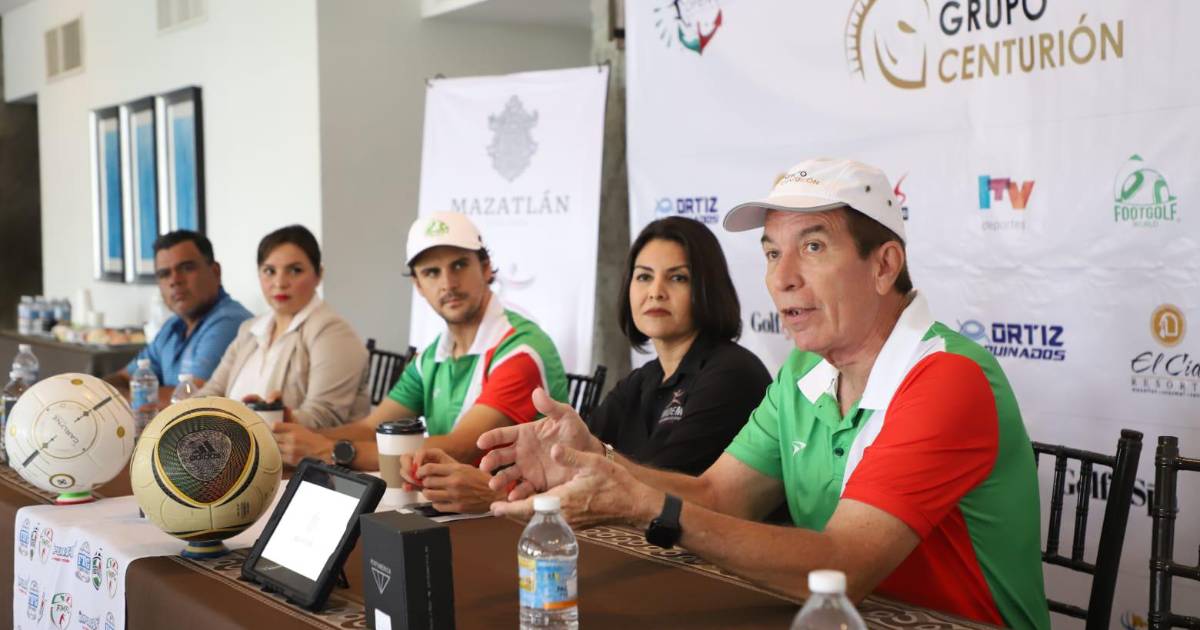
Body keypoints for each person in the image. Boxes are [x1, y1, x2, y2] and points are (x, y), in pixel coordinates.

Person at [479, 159, 1051, 629]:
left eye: (814, 247)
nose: (781, 278)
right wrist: (597, 461)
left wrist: (647, 506)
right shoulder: (804, 368)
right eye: (773, 253)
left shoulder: (947, 377)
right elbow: (720, 495)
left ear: (884, 266)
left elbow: (845, 566)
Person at [273, 212, 569, 509]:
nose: (448, 283)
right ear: (418, 285)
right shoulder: (431, 356)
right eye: (431, 272)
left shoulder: (521, 351)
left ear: (485, 267)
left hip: (527, 519)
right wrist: (297, 437)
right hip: (464, 510)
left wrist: (330, 451)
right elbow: (373, 427)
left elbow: (462, 449)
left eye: (459, 265)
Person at [587, 217, 771, 475]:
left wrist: (595, 456)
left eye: (677, 278)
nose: (656, 292)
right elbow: (580, 446)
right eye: (644, 276)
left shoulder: (732, 374)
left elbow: (665, 481)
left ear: (708, 288)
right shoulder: (640, 380)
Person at [194, 225, 369, 428]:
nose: (280, 282)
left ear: (319, 274)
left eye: (295, 270)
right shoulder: (249, 330)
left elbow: (323, 416)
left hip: (301, 449)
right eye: (269, 271)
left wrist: (276, 418)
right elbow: (212, 392)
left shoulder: (333, 333)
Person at [105, 230, 252, 402]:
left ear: (215, 272)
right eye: (164, 274)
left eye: (187, 268)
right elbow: (125, 377)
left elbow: (192, 399)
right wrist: (102, 392)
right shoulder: (173, 326)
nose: (174, 280)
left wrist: (118, 397)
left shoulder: (230, 322)